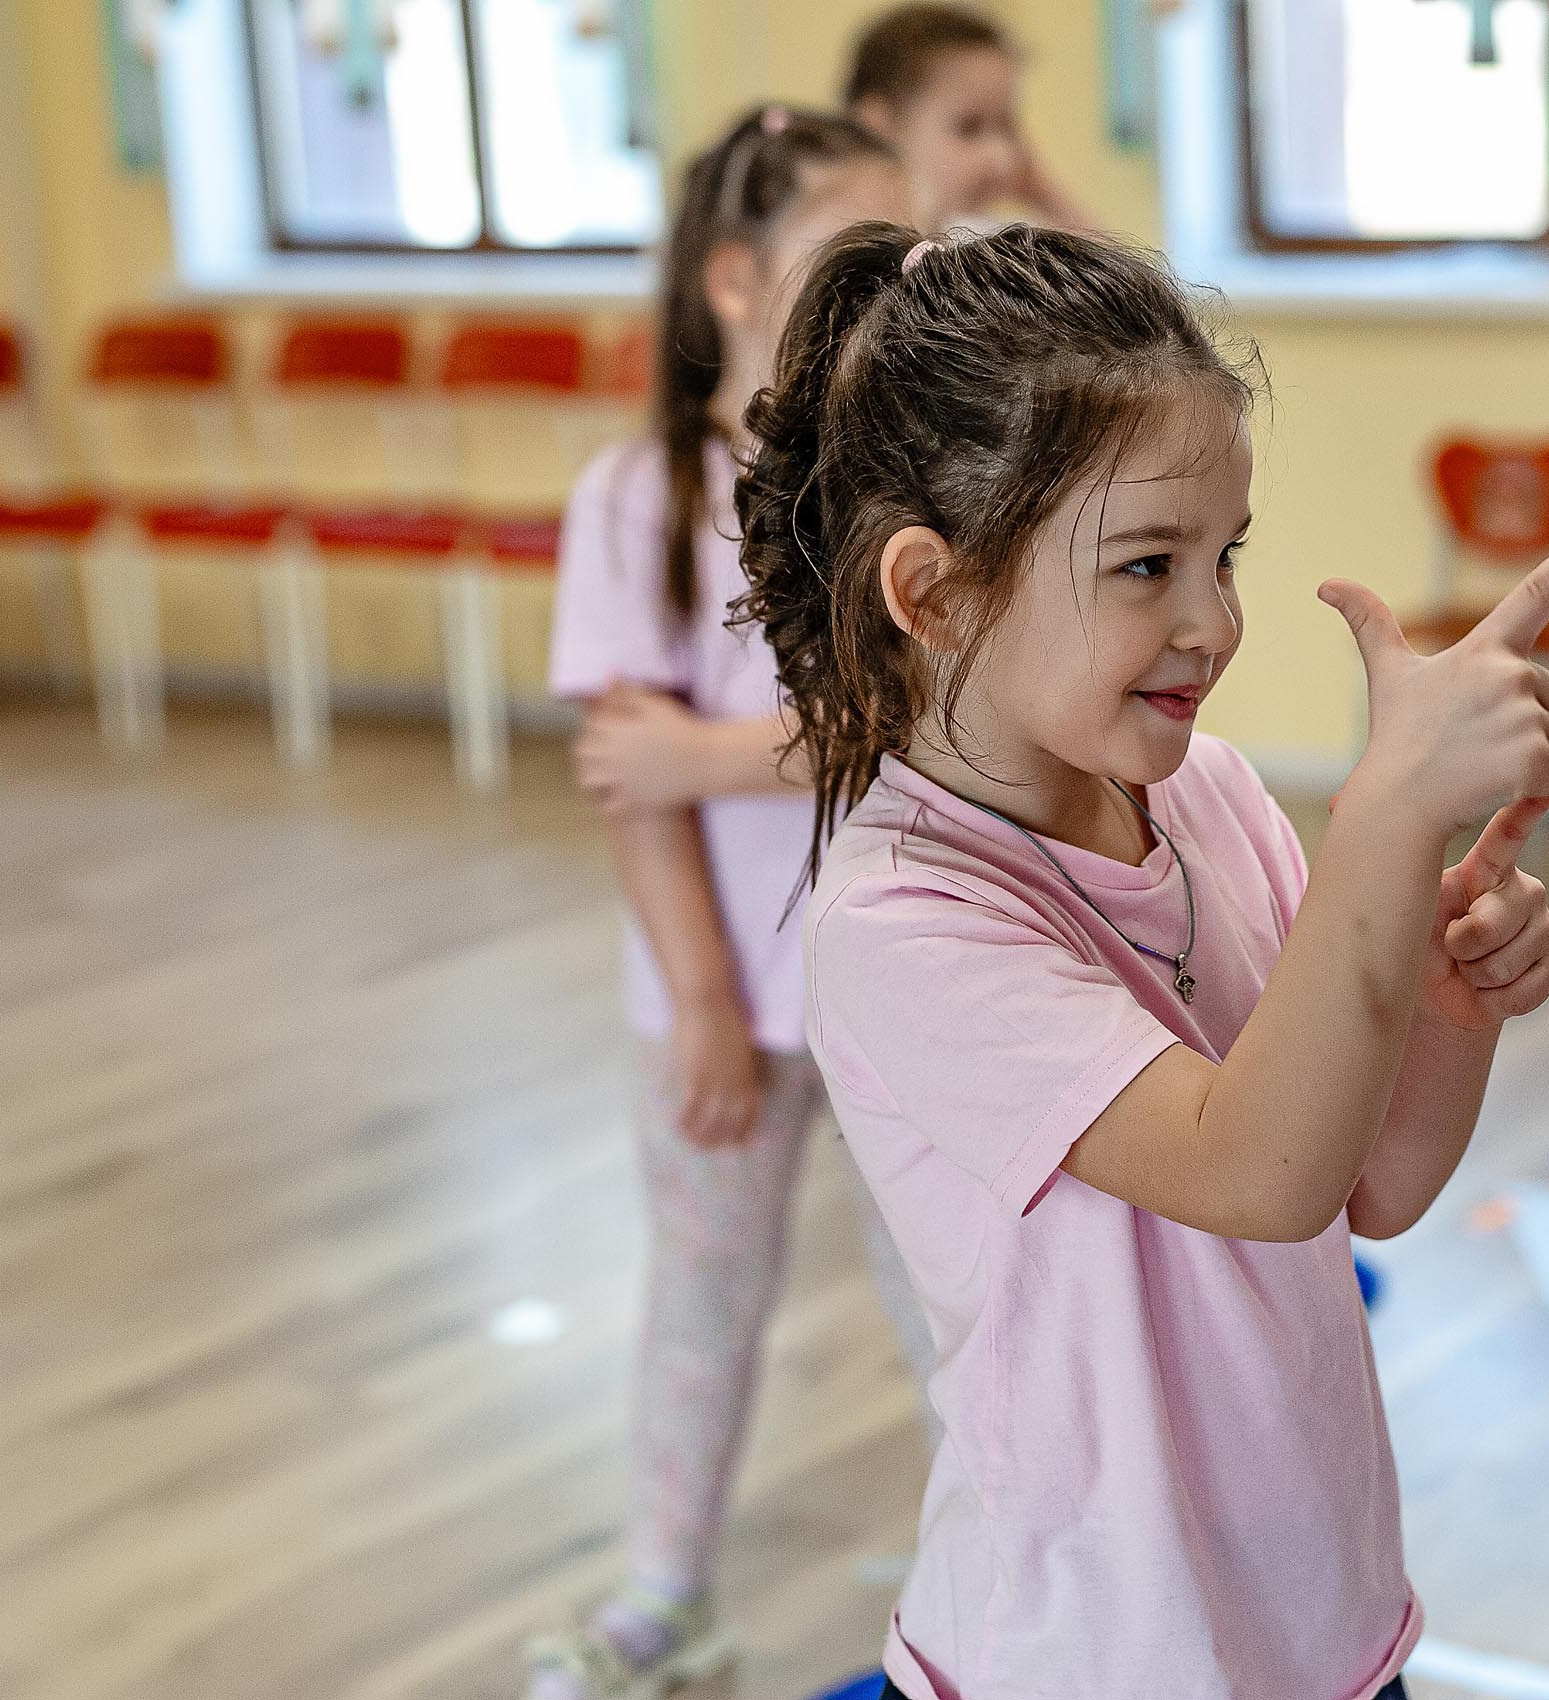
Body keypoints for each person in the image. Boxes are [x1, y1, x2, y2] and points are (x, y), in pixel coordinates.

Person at [733, 221, 1549, 1700]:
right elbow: (1254, 1170)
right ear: (931, 594)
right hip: (1087, 1658)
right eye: (1149, 565)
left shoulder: (1208, 795)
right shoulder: (899, 920)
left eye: (1225, 555)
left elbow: (1370, 1185)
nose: (1214, 621)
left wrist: (1445, 1001)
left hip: (1322, 1625)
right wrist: (1387, 821)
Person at [529, 109, 934, 1700]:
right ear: (732, 279)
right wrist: (702, 1000)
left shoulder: (902, 482)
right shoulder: (635, 497)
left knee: (965, 1309)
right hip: (722, 1007)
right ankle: (665, 1590)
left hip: (910, 991)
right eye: (853, 253)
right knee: (701, 1299)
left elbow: (914, 726)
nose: (892, 287)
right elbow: (624, 781)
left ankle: (1043, 1582)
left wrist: (706, 752)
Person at [843, 3, 1091, 234]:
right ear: (877, 128)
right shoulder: (844, 239)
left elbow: (1105, 264)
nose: (1001, 157)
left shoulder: (989, 235)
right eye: (968, 128)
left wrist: (1043, 194)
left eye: (1008, 128)